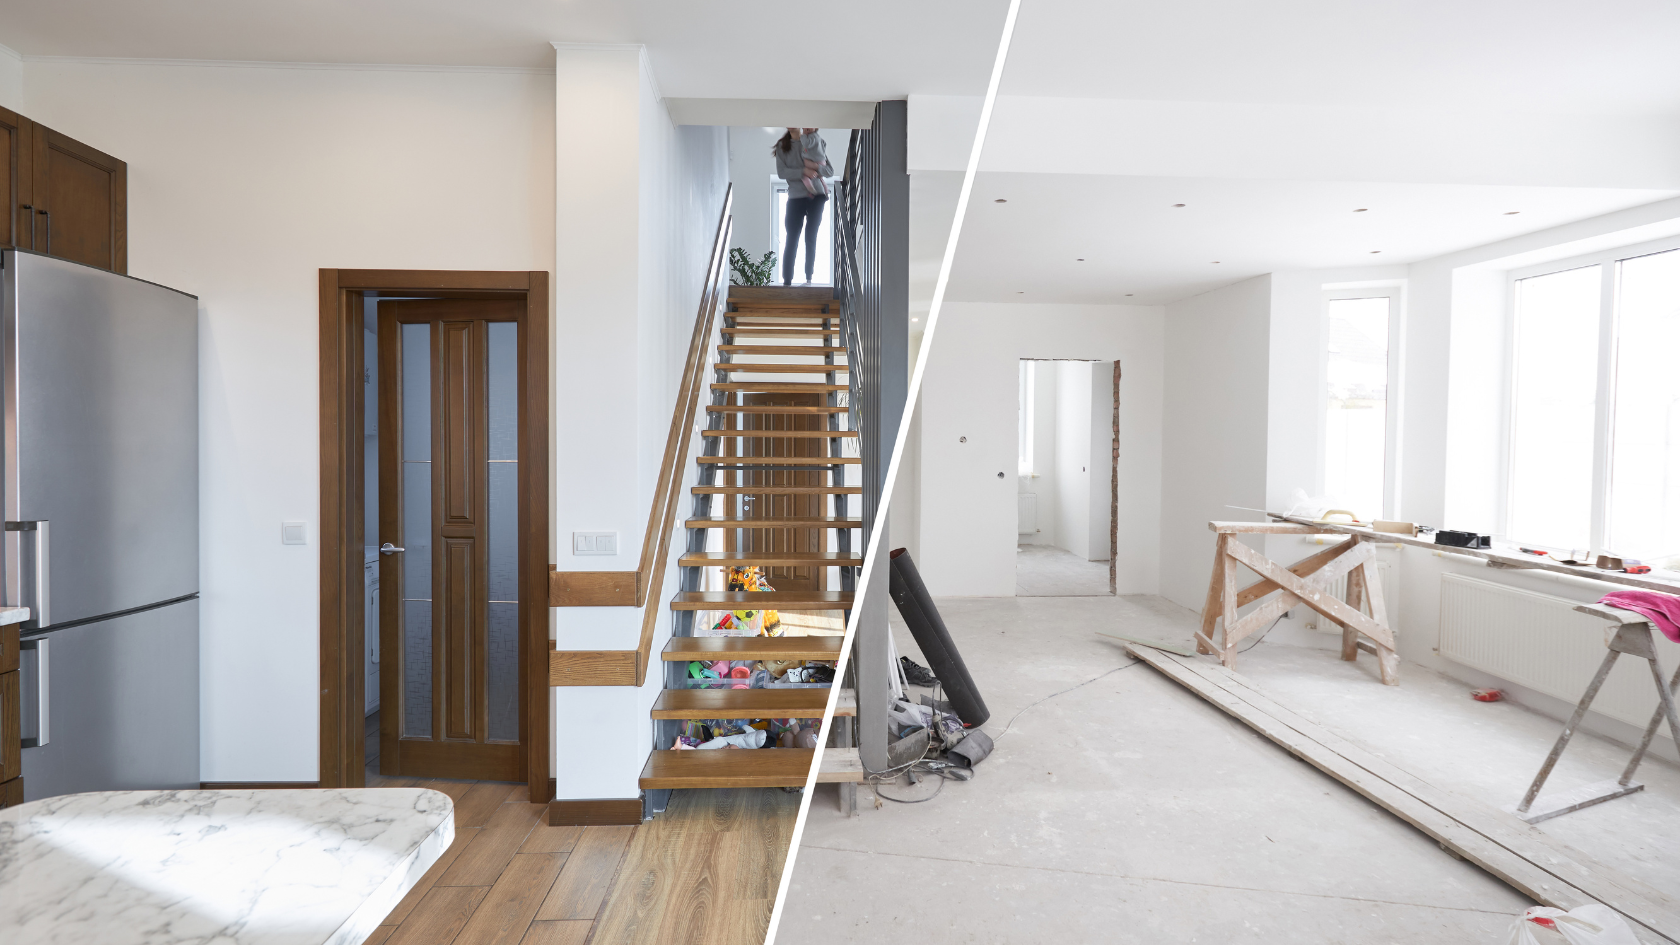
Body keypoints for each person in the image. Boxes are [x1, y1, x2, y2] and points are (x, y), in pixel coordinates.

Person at [773, 127, 832, 285]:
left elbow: (828, 170)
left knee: (811, 237)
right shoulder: (782, 146)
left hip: (817, 196)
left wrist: (815, 168)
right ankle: (787, 281)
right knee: (792, 237)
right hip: (795, 197)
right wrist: (803, 171)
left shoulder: (814, 141)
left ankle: (809, 279)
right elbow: (781, 172)